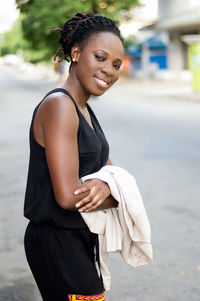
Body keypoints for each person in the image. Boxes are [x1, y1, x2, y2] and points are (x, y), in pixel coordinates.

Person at [24, 12, 124, 301]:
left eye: (116, 65)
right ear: (77, 53)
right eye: (101, 58)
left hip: (78, 238)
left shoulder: (83, 110)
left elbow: (107, 171)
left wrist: (108, 185)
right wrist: (117, 194)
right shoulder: (60, 106)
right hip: (57, 241)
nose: (109, 70)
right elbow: (69, 197)